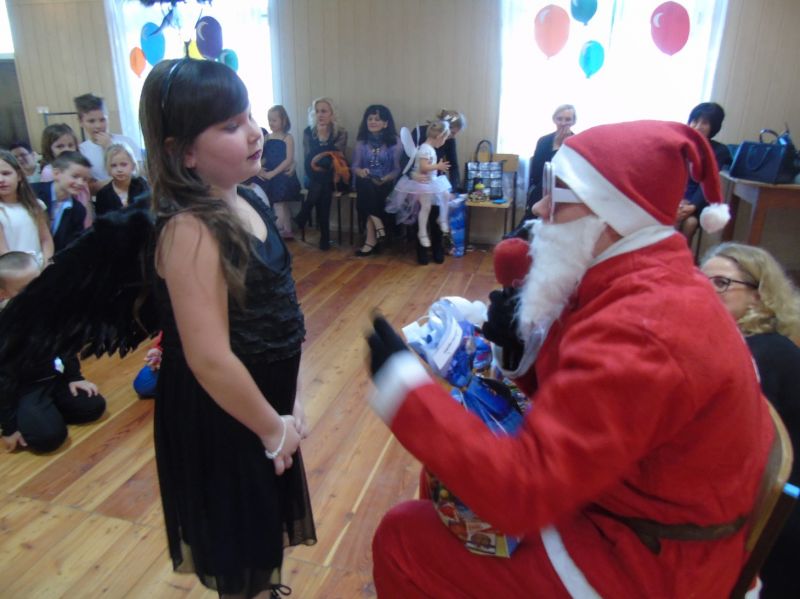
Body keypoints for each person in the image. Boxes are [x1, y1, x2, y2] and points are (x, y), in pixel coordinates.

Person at [365, 120, 774, 598]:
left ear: (610, 214)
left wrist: (406, 390)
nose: (540, 208)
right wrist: (522, 347)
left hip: (645, 563)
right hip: (637, 515)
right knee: (442, 480)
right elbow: (590, 398)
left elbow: (522, 490)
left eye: (557, 194)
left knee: (402, 537)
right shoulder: (646, 283)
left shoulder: (647, 328)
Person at [139, 57, 315, 597]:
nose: (255, 132)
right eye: (231, 125)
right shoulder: (190, 229)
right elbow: (210, 358)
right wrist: (271, 429)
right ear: (184, 152)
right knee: (237, 538)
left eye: (250, 116)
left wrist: (293, 399)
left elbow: (282, 313)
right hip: (225, 417)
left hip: (265, 407)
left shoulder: (252, 197)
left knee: (261, 530)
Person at [701, 242, 800, 598]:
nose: (707, 291)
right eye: (700, 281)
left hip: (775, 527)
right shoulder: (742, 345)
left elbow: (726, 448)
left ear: (760, 295)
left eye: (722, 283)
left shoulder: (766, 354)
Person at [0, 250, 106, 453]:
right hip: (24, 390)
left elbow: (65, 345)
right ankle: (37, 415)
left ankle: (45, 413)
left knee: (94, 406)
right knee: (49, 438)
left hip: (54, 377)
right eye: (25, 289)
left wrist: (74, 377)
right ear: (3, 294)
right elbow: (3, 380)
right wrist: (10, 427)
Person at [386, 120, 452, 265]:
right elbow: (418, 165)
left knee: (442, 199)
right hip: (423, 183)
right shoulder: (425, 147)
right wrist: (436, 166)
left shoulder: (433, 147)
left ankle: (440, 227)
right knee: (424, 208)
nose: (446, 141)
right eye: (445, 138)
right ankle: (422, 238)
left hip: (433, 182)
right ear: (439, 136)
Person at [294, 97, 348, 251]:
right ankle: (325, 237)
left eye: (324, 111)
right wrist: (321, 142)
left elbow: (336, 157)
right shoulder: (308, 132)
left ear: (332, 113)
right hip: (311, 175)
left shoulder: (341, 133)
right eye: (317, 111)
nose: (320, 115)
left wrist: (324, 140)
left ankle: (304, 215)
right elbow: (309, 159)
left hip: (334, 175)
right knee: (321, 185)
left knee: (322, 183)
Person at [677, 102, 732, 243]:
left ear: (714, 127)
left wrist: (692, 206)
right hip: (675, 197)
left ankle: (682, 255)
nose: (698, 126)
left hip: (698, 201)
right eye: (695, 121)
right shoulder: (678, 143)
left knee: (690, 223)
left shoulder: (719, 151)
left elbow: (708, 181)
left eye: (705, 123)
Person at [351, 104, 402, 257]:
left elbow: (397, 169)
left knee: (367, 196)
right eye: (370, 119)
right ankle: (378, 225)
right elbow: (354, 166)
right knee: (366, 184)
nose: (372, 122)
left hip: (387, 182)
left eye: (377, 119)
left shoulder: (395, 142)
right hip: (366, 181)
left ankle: (370, 241)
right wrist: (361, 171)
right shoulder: (361, 143)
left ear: (386, 123)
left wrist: (386, 178)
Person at [73, 93, 142, 194]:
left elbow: (139, 173)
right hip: (103, 199)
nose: (98, 126)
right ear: (81, 122)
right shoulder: (81, 151)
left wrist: (109, 147)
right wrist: (117, 181)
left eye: (102, 120)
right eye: (91, 121)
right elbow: (88, 188)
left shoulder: (126, 142)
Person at [0, 150, 53, 268]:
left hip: (40, 269)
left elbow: (46, 239)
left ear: (19, 175)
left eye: (6, 173)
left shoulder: (35, 205)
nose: (1, 180)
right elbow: (4, 253)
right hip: (12, 271)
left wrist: (47, 263)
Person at [31, 151, 91, 252]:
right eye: (75, 176)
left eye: (85, 179)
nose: (80, 183)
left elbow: (72, 245)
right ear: (56, 174)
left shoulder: (79, 210)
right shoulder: (33, 192)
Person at [258, 105, 301, 239]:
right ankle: (287, 231)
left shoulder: (287, 137)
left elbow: (288, 159)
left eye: (274, 120)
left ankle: (278, 231)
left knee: (280, 204)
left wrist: (273, 173)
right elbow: (265, 157)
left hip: (282, 175)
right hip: (271, 176)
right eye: (269, 120)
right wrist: (259, 166)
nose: (271, 123)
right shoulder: (267, 138)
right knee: (279, 204)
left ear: (283, 120)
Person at [526, 104, 576, 218]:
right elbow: (537, 174)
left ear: (573, 121)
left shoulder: (577, 142)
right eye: (560, 119)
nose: (563, 123)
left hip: (566, 190)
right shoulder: (543, 141)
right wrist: (557, 145)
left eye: (568, 119)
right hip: (543, 188)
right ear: (554, 119)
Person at [39, 123, 92, 229]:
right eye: (60, 146)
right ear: (49, 149)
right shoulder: (49, 171)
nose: (66, 149)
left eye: (70, 145)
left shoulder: (81, 168)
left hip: (80, 216)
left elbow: (86, 198)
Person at [412, 109, 466, 191]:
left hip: (433, 180)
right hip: (416, 180)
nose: (453, 136)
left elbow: (453, 166)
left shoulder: (450, 139)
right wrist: (412, 175)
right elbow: (406, 160)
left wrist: (454, 189)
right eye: (452, 133)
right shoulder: (419, 132)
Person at [95, 143, 150, 216]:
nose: (119, 170)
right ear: (107, 168)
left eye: (123, 164)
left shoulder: (142, 184)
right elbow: (101, 220)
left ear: (133, 165)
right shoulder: (103, 194)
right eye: (113, 165)